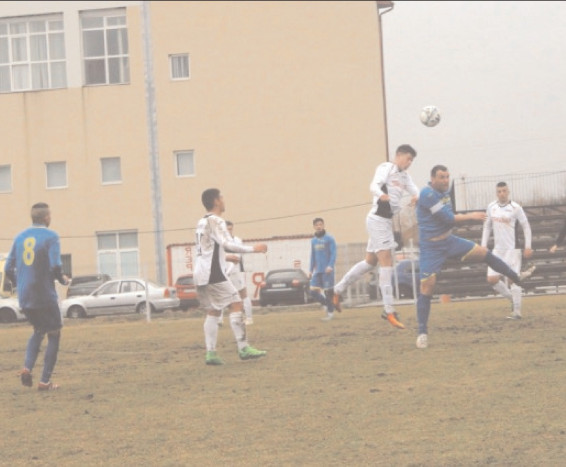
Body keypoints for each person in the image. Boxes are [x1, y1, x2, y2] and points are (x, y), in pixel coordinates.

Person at [415, 166, 536, 349]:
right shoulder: (427, 194)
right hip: (431, 247)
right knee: (427, 287)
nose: (446, 180)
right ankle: (422, 333)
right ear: (432, 178)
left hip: (449, 241)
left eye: (447, 177)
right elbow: (448, 218)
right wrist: (470, 216)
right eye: (441, 177)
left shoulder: (443, 193)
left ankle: (517, 277)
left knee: (484, 253)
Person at [332, 144, 419, 329]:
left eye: (412, 161)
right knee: (387, 262)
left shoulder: (405, 177)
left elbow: (416, 191)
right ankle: (389, 310)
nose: (409, 163)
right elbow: (373, 186)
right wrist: (381, 195)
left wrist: (417, 197)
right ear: (399, 155)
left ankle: (336, 290)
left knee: (370, 262)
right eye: (408, 159)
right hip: (378, 220)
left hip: (385, 222)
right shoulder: (386, 168)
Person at [194, 188, 268, 365]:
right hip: (213, 273)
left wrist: (225, 257)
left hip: (200, 272)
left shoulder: (201, 222)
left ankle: (211, 354)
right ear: (216, 201)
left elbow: (207, 249)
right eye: (222, 197)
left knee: (214, 310)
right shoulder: (217, 220)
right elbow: (227, 244)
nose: (224, 200)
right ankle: (243, 348)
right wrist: (254, 249)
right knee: (236, 303)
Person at [5, 202, 69, 391]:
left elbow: (8, 268)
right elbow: (55, 265)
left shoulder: (19, 237)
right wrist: (63, 279)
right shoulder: (51, 236)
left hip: (25, 295)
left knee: (38, 330)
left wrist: (20, 283)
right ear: (46, 217)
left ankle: (27, 368)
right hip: (44, 294)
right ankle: (44, 381)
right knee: (54, 333)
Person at [481, 182, 533, 319]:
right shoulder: (491, 207)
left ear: (508, 192)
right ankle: (512, 300)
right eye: (499, 191)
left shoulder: (516, 208)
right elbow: (487, 226)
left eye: (504, 191)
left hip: (512, 249)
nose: (502, 194)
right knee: (491, 279)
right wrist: (483, 245)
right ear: (496, 193)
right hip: (497, 250)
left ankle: (517, 312)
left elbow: (526, 226)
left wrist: (528, 246)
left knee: (512, 279)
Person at [222, 220, 254, 326]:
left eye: (230, 229)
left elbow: (237, 257)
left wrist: (229, 270)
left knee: (243, 294)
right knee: (220, 296)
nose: (229, 231)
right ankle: (219, 320)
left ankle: (249, 318)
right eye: (227, 229)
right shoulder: (220, 242)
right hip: (223, 273)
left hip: (235, 272)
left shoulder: (237, 240)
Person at [308, 218, 337, 321]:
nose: (319, 226)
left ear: (323, 225)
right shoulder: (313, 240)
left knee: (327, 292)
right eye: (316, 225)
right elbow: (313, 256)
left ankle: (330, 313)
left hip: (327, 270)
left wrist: (330, 266)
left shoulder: (329, 238)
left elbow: (333, 253)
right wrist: (310, 270)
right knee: (312, 291)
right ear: (314, 227)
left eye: (320, 224)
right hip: (318, 271)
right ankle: (329, 305)